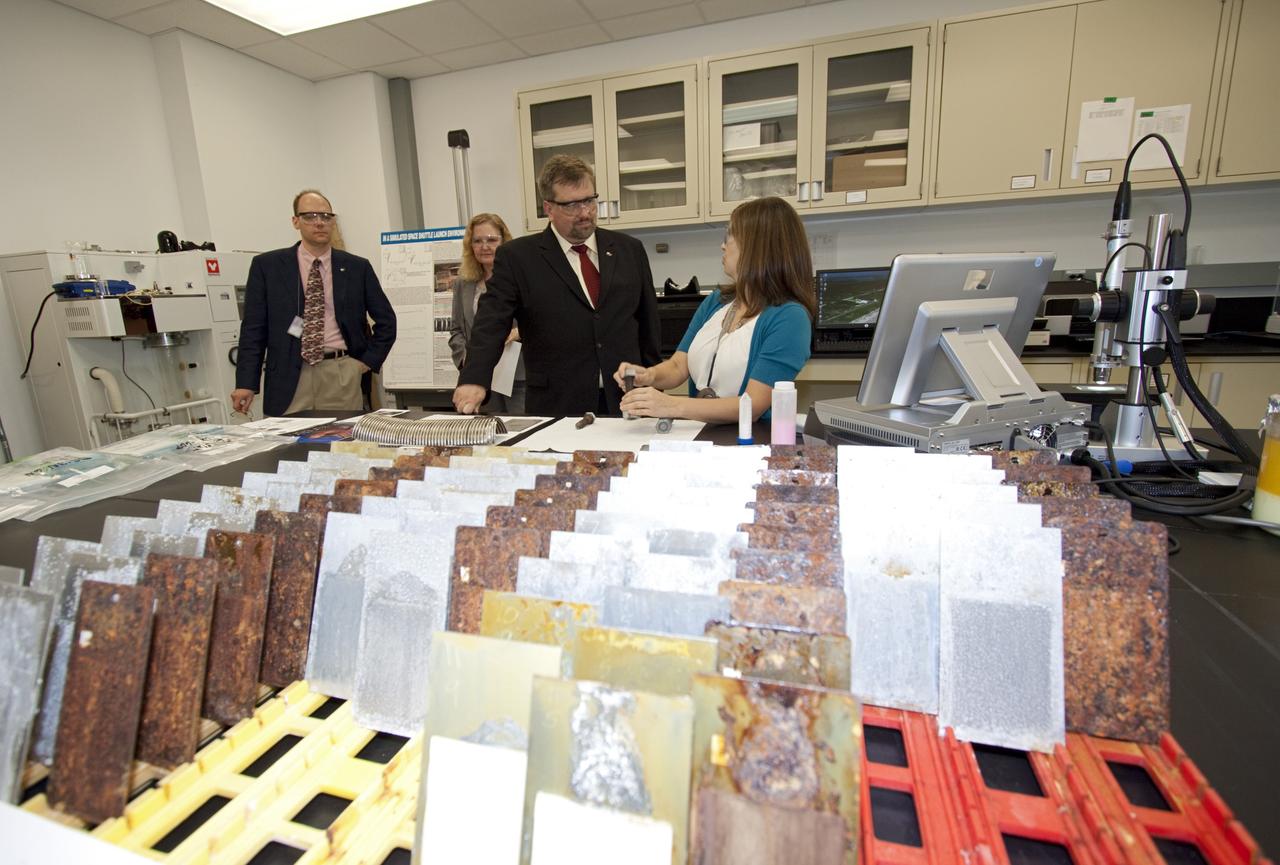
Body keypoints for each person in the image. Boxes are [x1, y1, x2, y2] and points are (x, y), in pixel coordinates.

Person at [452, 155, 660, 416]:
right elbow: (491, 322)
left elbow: (648, 325)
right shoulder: (518, 258)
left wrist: (656, 382)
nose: (585, 213)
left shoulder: (628, 250)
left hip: (626, 399)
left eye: (589, 201)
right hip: (558, 404)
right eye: (571, 205)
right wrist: (474, 378)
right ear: (548, 208)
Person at [614, 196, 814, 424]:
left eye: (730, 236)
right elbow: (679, 366)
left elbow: (753, 405)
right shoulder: (717, 301)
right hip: (699, 435)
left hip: (749, 442)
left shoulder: (790, 318)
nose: (722, 245)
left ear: (757, 246)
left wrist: (671, 405)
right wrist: (648, 375)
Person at [231, 190, 396, 417]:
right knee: (287, 446)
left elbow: (387, 321)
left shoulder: (357, 267)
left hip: (340, 374)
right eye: (310, 216)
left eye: (326, 217)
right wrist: (246, 383)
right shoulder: (267, 266)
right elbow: (253, 329)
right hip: (288, 376)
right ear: (295, 221)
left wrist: (364, 363)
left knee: (342, 446)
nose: (319, 223)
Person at [448, 213, 525, 413]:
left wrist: (519, 332)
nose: (485, 246)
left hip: (517, 374)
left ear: (504, 242)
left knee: (521, 430)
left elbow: (543, 319)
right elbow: (456, 329)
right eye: (478, 241)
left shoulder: (521, 276)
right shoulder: (463, 283)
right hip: (481, 376)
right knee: (489, 431)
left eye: (491, 240)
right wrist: (466, 359)